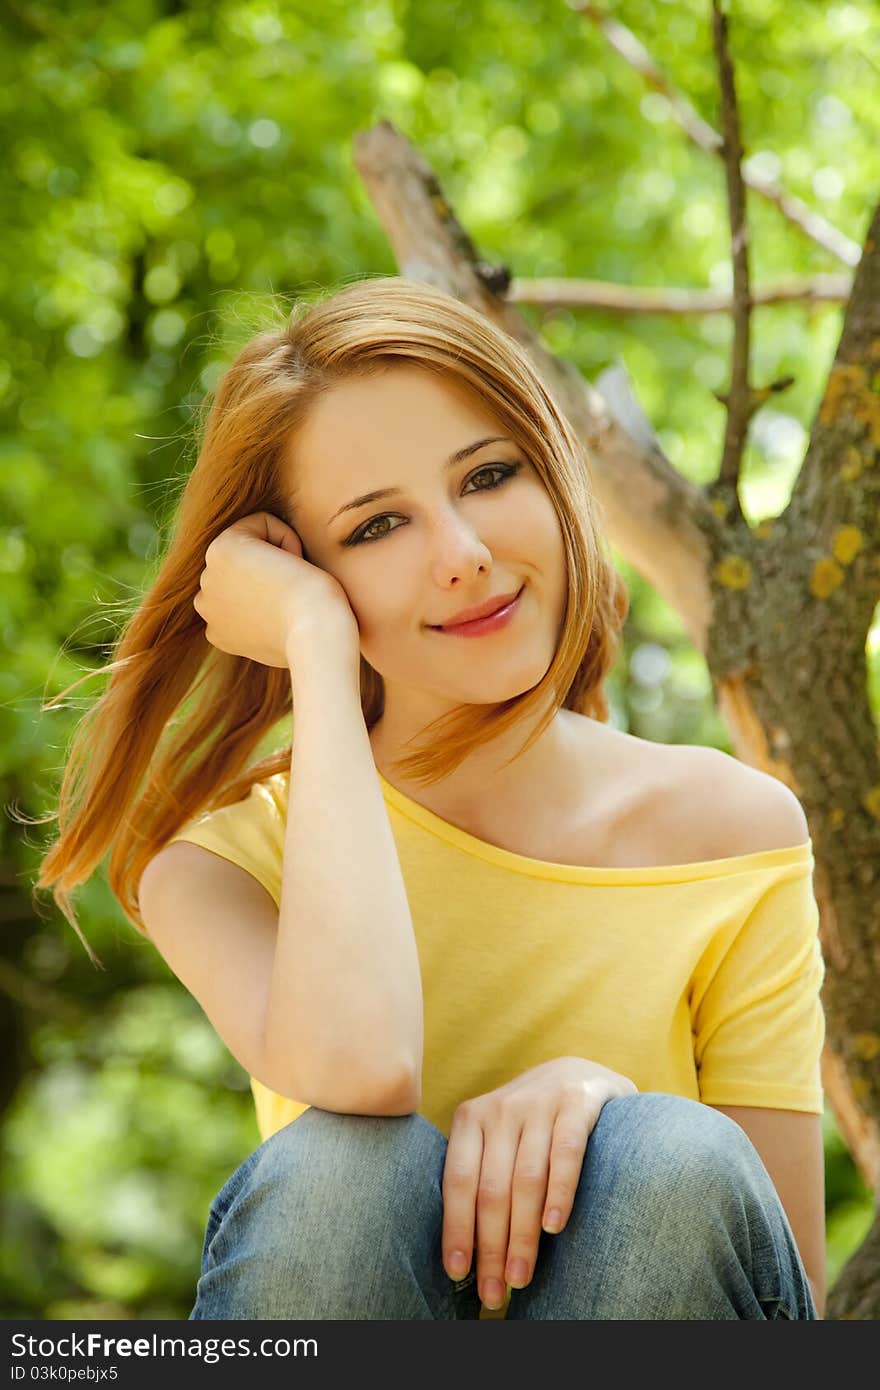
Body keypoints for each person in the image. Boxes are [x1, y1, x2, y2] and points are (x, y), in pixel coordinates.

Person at [35, 275, 826, 1320]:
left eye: (488, 475)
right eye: (374, 529)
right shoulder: (219, 865)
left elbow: (781, 1288)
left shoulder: (733, 832)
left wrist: (605, 1103)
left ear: (550, 476)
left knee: (669, 1157)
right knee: (337, 1172)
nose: (464, 557)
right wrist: (317, 650)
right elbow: (364, 1070)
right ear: (297, 571)